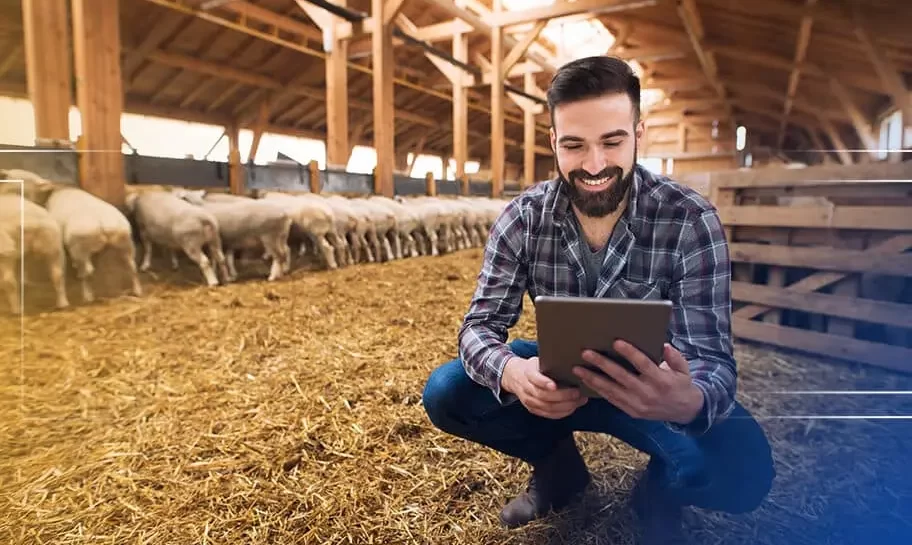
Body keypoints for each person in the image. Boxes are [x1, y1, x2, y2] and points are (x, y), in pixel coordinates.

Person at [421, 55, 776, 544]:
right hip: (556, 385)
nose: (593, 165)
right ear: (553, 142)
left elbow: (714, 359)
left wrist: (689, 399)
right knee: (447, 392)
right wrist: (514, 373)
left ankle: (661, 489)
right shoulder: (523, 218)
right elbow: (478, 328)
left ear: (638, 134)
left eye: (612, 141)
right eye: (574, 145)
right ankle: (558, 466)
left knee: (745, 473)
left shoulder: (691, 220)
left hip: (647, 394)